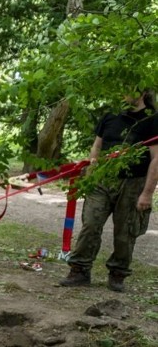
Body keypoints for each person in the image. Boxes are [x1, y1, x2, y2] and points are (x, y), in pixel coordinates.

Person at [60, 89, 158, 292]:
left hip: (133, 184)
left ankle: (118, 274)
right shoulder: (110, 114)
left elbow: (156, 158)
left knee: (125, 232)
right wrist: (92, 174)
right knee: (90, 224)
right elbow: (97, 147)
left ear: (143, 93)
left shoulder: (152, 119)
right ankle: (79, 270)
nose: (124, 92)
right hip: (103, 180)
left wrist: (147, 193)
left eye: (131, 88)